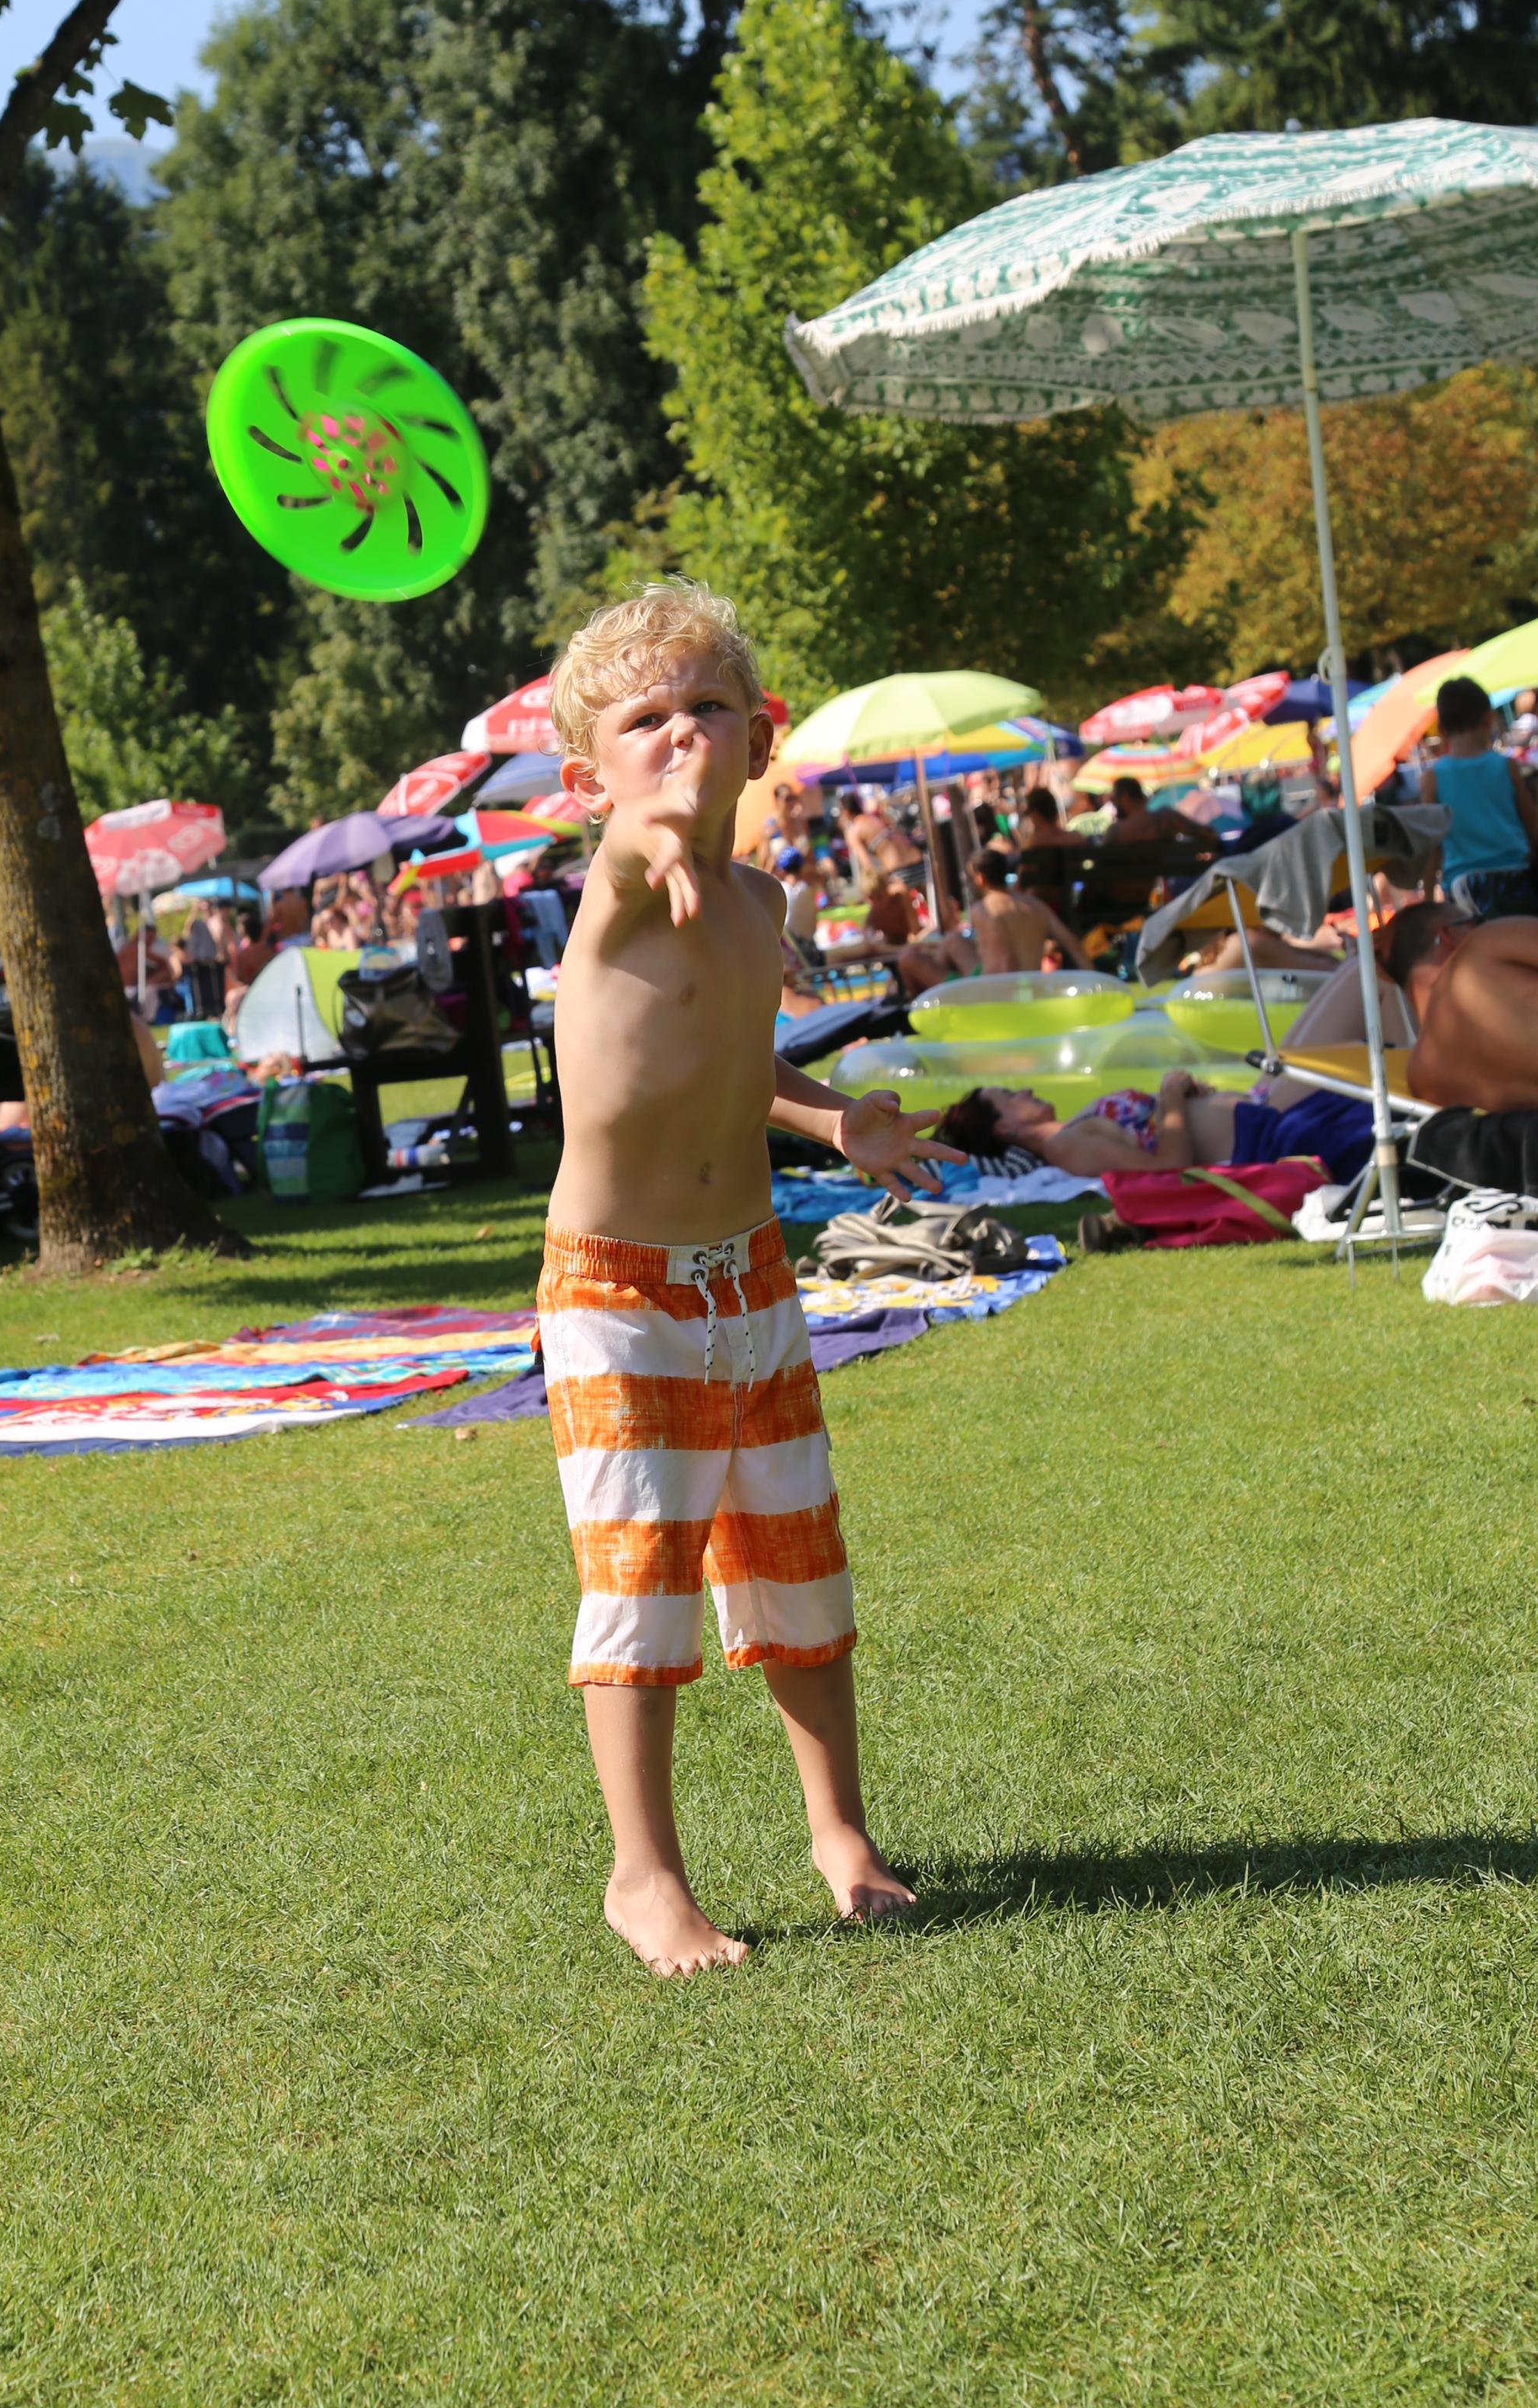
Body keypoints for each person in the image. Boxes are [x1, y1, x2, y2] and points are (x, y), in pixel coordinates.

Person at [546, 578, 944, 1975]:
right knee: (641, 1577)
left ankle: (842, 1835)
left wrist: (834, 1123)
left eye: (707, 706)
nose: (679, 735)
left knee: (795, 1560)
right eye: (642, 720)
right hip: (619, 1292)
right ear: (586, 777)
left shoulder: (756, 897)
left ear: (760, 737)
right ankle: (643, 1875)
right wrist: (644, 834)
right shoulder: (618, 892)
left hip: (749, 1280)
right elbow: (630, 854)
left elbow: (732, 1053)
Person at [934, 1068, 1377, 1186]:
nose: (1026, 1090)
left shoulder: (1076, 1127)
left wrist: (1184, 1097)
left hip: (1269, 1116)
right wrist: (1170, 1094)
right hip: (1273, 1137)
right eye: (1011, 1095)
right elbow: (1168, 1171)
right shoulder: (1066, 1148)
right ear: (1004, 1130)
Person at [1418, 674, 1538, 918]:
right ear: (1488, 718)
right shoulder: (1506, 767)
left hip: (1465, 889)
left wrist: (1429, 903)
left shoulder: (1433, 778)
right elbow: (1533, 826)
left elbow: (1431, 847)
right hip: (1517, 878)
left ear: (1442, 729)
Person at [1396, 910, 1538, 1112]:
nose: (1484, 923)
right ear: (1450, 934)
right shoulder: (1485, 942)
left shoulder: (1421, 1074)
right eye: (1476, 920)